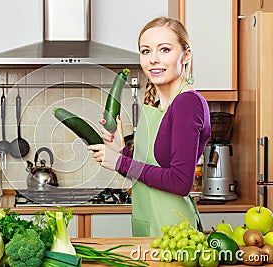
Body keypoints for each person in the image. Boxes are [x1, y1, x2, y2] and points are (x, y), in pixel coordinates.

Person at [88, 16, 211, 237]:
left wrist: (120, 162)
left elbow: (180, 182)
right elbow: (148, 171)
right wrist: (121, 151)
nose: (153, 59)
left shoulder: (187, 103)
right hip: (148, 226)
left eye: (164, 50)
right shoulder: (153, 106)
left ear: (186, 55)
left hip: (175, 232)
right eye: (146, 51)